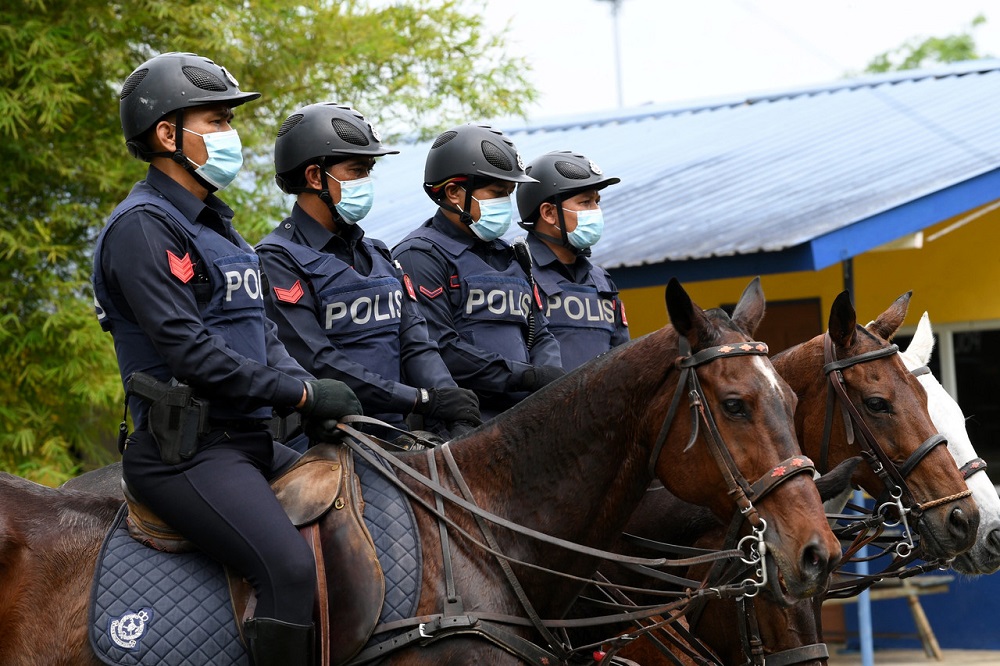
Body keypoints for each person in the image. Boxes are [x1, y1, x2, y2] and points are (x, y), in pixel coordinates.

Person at [92, 52, 361, 665]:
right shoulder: (142, 228)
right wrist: (301, 395)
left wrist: (313, 393)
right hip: (187, 454)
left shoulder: (220, 229)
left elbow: (263, 335)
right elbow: (191, 353)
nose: (230, 134)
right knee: (288, 568)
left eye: (228, 121)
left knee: (363, 509)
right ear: (168, 135)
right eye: (216, 120)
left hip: (252, 441)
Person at [256, 103, 481, 445]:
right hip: (323, 441)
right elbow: (318, 361)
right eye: (356, 170)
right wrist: (420, 400)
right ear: (315, 176)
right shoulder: (277, 259)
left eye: (368, 171)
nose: (366, 181)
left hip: (397, 434)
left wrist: (452, 404)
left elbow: (416, 344)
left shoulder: (378, 253)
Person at [392, 124, 564, 420]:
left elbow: (541, 333)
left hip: (525, 418)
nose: (505, 203)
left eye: (509, 193)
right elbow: (440, 348)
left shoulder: (510, 255)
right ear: (453, 192)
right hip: (460, 423)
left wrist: (548, 378)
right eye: (497, 193)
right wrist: (526, 377)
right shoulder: (419, 256)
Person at [515, 150, 630, 371]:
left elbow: (623, 363)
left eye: (597, 201)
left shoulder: (602, 281)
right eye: (585, 202)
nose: (596, 211)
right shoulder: (516, 274)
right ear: (549, 213)